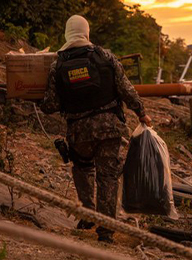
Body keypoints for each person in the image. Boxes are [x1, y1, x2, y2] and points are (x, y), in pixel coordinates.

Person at [41, 15, 151, 243]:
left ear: (67, 33)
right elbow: (126, 89)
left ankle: (88, 214)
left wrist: (36, 99)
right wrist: (141, 111)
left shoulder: (57, 65)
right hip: (110, 129)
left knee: (82, 168)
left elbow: (50, 105)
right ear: (87, 32)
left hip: (78, 132)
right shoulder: (105, 56)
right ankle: (106, 231)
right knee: (108, 177)